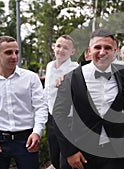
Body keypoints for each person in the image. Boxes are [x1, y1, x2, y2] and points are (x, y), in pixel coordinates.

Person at [52, 29, 124, 169]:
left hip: (116, 150)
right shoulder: (71, 78)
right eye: (97, 47)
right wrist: (70, 151)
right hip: (83, 152)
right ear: (89, 51)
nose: (102, 52)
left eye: (108, 48)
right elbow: (58, 115)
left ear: (115, 51)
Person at [0, 35, 48, 169]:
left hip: (27, 140)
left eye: (16, 52)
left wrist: (37, 132)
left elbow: (41, 107)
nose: (14, 56)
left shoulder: (31, 78)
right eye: (9, 52)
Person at [44, 35, 78, 169]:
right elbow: (47, 92)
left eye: (66, 48)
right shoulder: (49, 66)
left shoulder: (75, 68)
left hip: (67, 120)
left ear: (72, 52)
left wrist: (68, 77)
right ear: (54, 47)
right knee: (54, 158)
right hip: (51, 118)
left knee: (66, 160)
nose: (61, 50)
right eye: (58, 46)